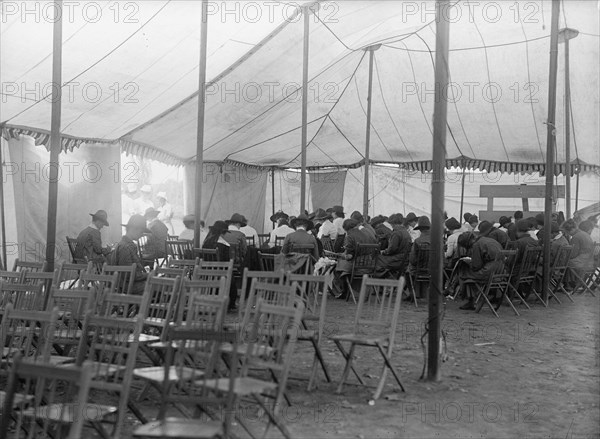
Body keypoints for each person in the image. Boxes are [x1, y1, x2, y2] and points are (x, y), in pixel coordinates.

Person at [457, 231, 504, 310]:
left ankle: (470, 299)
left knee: (464, 273)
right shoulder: (489, 240)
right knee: (468, 274)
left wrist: (469, 262)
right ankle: (472, 298)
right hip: (500, 270)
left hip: (489, 272)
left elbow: (476, 266)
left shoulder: (476, 245)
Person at [110, 215, 150, 295]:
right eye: (141, 231)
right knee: (162, 286)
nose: (142, 234)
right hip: (128, 287)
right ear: (134, 229)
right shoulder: (125, 247)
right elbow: (127, 274)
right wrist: (148, 275)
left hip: (130, 284)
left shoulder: (127, 245)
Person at [332, 219, 371, 299]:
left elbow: (349, 256)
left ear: (345, 228)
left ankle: (343, 291)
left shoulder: (349, 237)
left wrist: (340, 255)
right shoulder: (366, 234)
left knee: (336, 267)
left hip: (356, 265)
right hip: (369, 263)